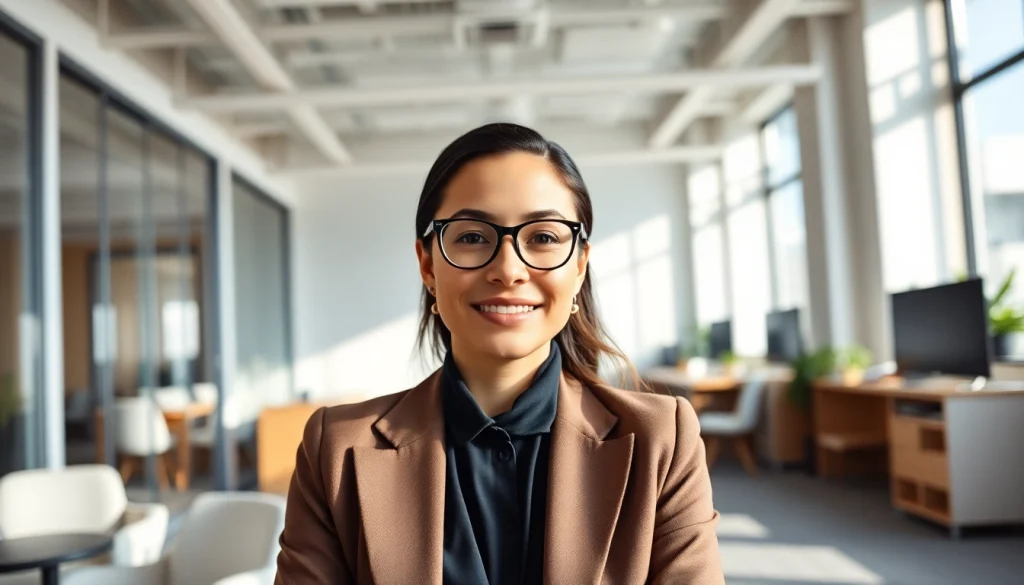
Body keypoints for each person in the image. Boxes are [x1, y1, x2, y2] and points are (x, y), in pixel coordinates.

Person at [275, 123, 724, 584]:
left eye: (544, 238)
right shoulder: (337, 449)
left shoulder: (661, 441)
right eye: (472, 237)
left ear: (579, 266)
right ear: (428, 265)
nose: (508, 270)